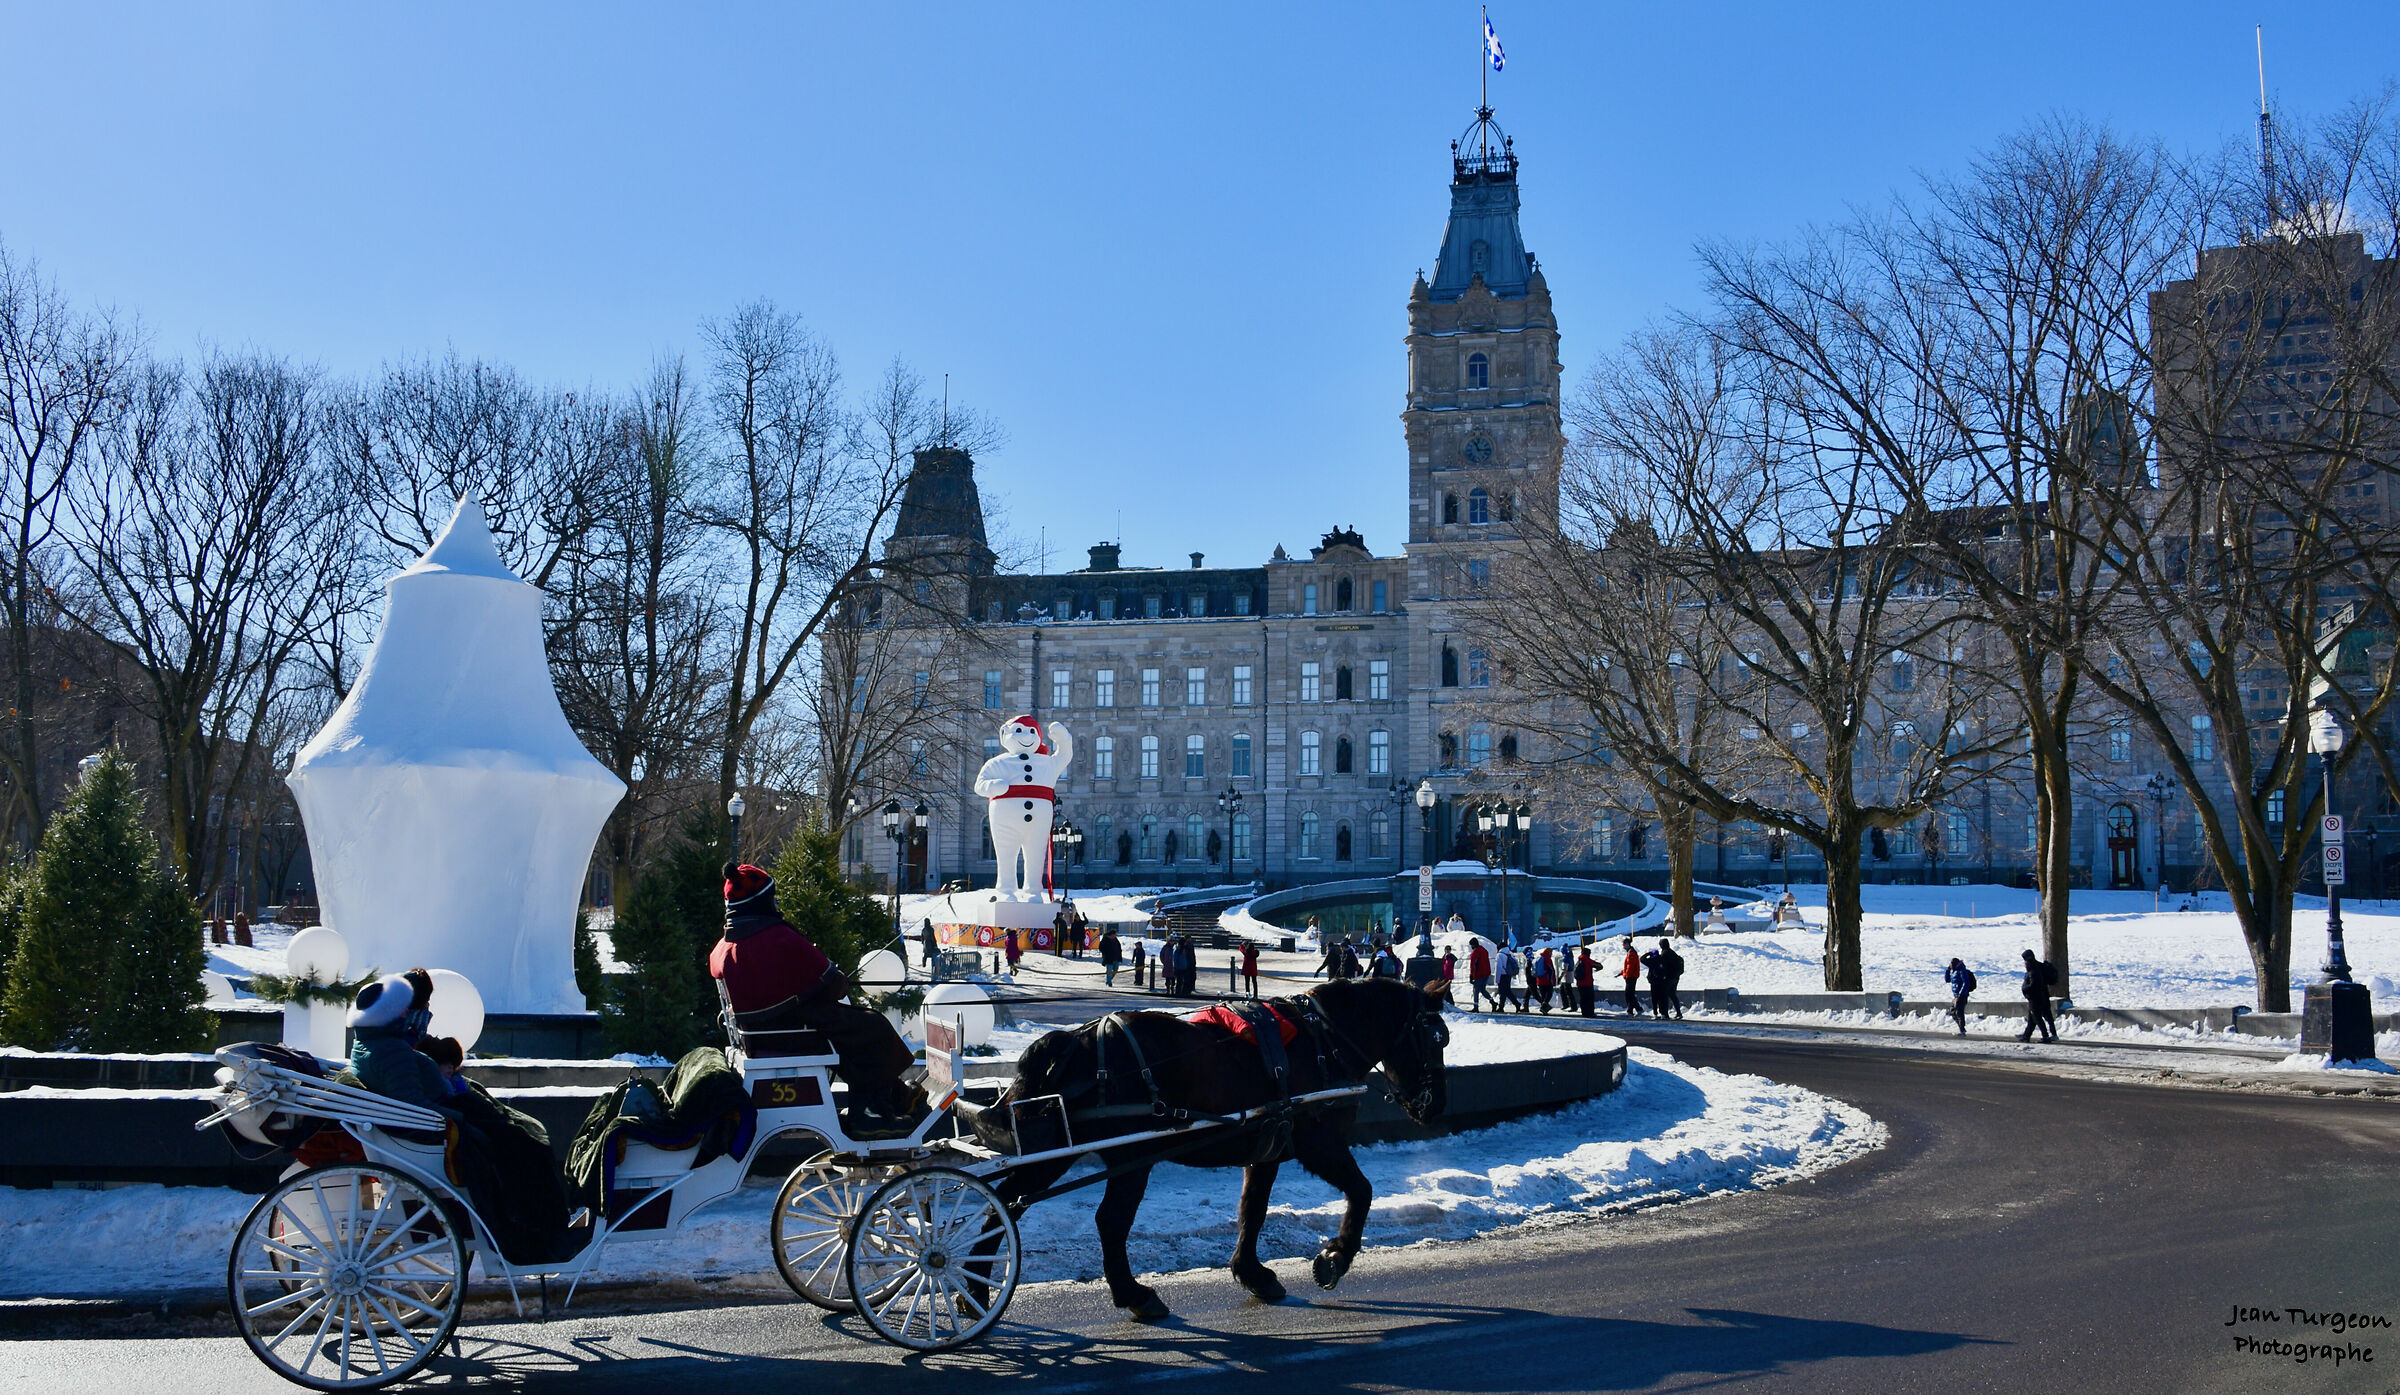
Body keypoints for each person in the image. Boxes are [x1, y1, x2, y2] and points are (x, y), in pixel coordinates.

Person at [710, 862, 923, 1137]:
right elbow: (834, 986)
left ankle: (895, 1098)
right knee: (872, 1027)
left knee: (851, 1033)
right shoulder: (776, 938)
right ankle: (871, 1114)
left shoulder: (723, 947)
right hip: (787, 1031)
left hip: (760, 1031)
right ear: (762, 901)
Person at [2018, 949, 2058, 1043]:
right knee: (2034, 1017)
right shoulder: (2038, 966)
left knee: (2038, 1017)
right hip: (2041, 995)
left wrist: (2025, 989)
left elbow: (2034, 984)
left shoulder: (2034, 970)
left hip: (2037, 998)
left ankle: (2046, 1036)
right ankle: (2026, 1035)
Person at [1650, 936, 1687, 1020]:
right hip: (1676, 977)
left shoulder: (1665, 953)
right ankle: (1678, 1012)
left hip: (1668, 978)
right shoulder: (1672, 952)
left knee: (1665, 996)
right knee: (1673, 994)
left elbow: (1662, 966)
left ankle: (1665, 1013)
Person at [1944, 957, 1977, 1035]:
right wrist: (1947, 970)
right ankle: (1961, 1029)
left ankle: (1962, 1030)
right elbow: (1947, 980)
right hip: (1956, 995)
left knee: (1959, 1012)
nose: (1951, 965)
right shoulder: (1952, 971)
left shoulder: (1962, 970)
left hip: (1962, 995)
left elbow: (1966, 983)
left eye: (1952, 964)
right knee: (1953, 1011)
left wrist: (1961, 995)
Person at [1618, 937, 1644, 1016]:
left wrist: (1626, 975)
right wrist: (1622, 972)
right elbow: (1628, 967)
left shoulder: (1631, 953)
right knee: (1630, 994)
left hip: (1631, 977)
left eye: (1624, 945)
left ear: (1627, 944)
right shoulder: (1630, 952)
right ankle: (1632, 1010)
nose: (1623, 947)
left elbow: (1630, 967)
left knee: (1629, 994)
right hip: (1631, 976)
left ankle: (1636, 1009)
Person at [1493, 941, 1520, 1012]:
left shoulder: (1499, 955)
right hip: (1508, 975)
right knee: (1507, 991)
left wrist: (1496, 979)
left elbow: (1498, 968)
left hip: (1502, 976)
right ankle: (1516, 1004)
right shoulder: (1510, 953)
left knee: (1502, 992)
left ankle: (1501, 1007)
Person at [1468, 939, 1495, 1011]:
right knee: (1482, 990)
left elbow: (1473, 965)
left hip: (1479, 974)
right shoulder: (1484, 950)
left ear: (1473, 945)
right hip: (1486, 973)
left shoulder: (1475, 953)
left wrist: (1471, 976)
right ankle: (1492, 1002)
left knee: (1476, 990)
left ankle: (1476, 1006)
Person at [1574, 945, 1597, 1018]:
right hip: (1588, 983)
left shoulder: (1579, 960)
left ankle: (1584, 1013)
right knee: (1589, 998)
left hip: (1580, 983)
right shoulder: (1588, 960)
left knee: (1582, 998)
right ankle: (1590, 1013)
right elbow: (1599, 965)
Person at [1531, 948, 1556, 1013]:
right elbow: (1551, 970)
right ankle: (1543, 1007)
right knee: (1549, 994)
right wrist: (1553, 980)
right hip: (1547, 980)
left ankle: (1544, 1009)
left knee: (1543, 995)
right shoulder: (1547, 959)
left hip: (1539, 979)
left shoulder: (1539, 958)